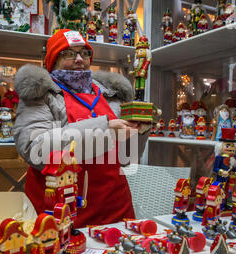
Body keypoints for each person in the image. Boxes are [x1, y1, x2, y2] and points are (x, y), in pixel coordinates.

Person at [13, 29, 150, 228]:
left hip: (115, 208)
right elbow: (35, 149)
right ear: (53, 60)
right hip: (61, 211)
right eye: (69, 53)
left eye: (84, 53)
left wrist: (140, 131)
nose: (79, 59)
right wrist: (105, 130)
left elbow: (127, 159)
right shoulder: (41, 94)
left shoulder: (110, 94)